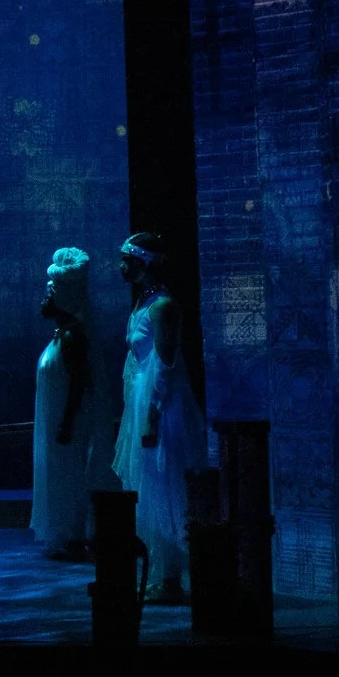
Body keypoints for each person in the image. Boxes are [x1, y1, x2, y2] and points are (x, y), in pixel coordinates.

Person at [111, 233, 208, 603]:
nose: (121, 267)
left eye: (127, 260)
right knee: (149, 487)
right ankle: (164, 573)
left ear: (143, 263)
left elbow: (165, 365)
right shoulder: (144, 303)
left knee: (164, 486)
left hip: (163, 406)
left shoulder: (163, 306)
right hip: (142, 399)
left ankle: (171, 578)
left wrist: (150, 416)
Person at [30, 246, 104, 558]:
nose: (44, 301)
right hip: (56, 421)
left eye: (49, 295)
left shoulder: (72, 337)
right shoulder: (60, 335)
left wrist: (67, 423)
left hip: (66, 423)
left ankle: (75, 534)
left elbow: (78, 384)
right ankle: (66, 534)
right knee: (59, 474)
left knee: (69, 475)